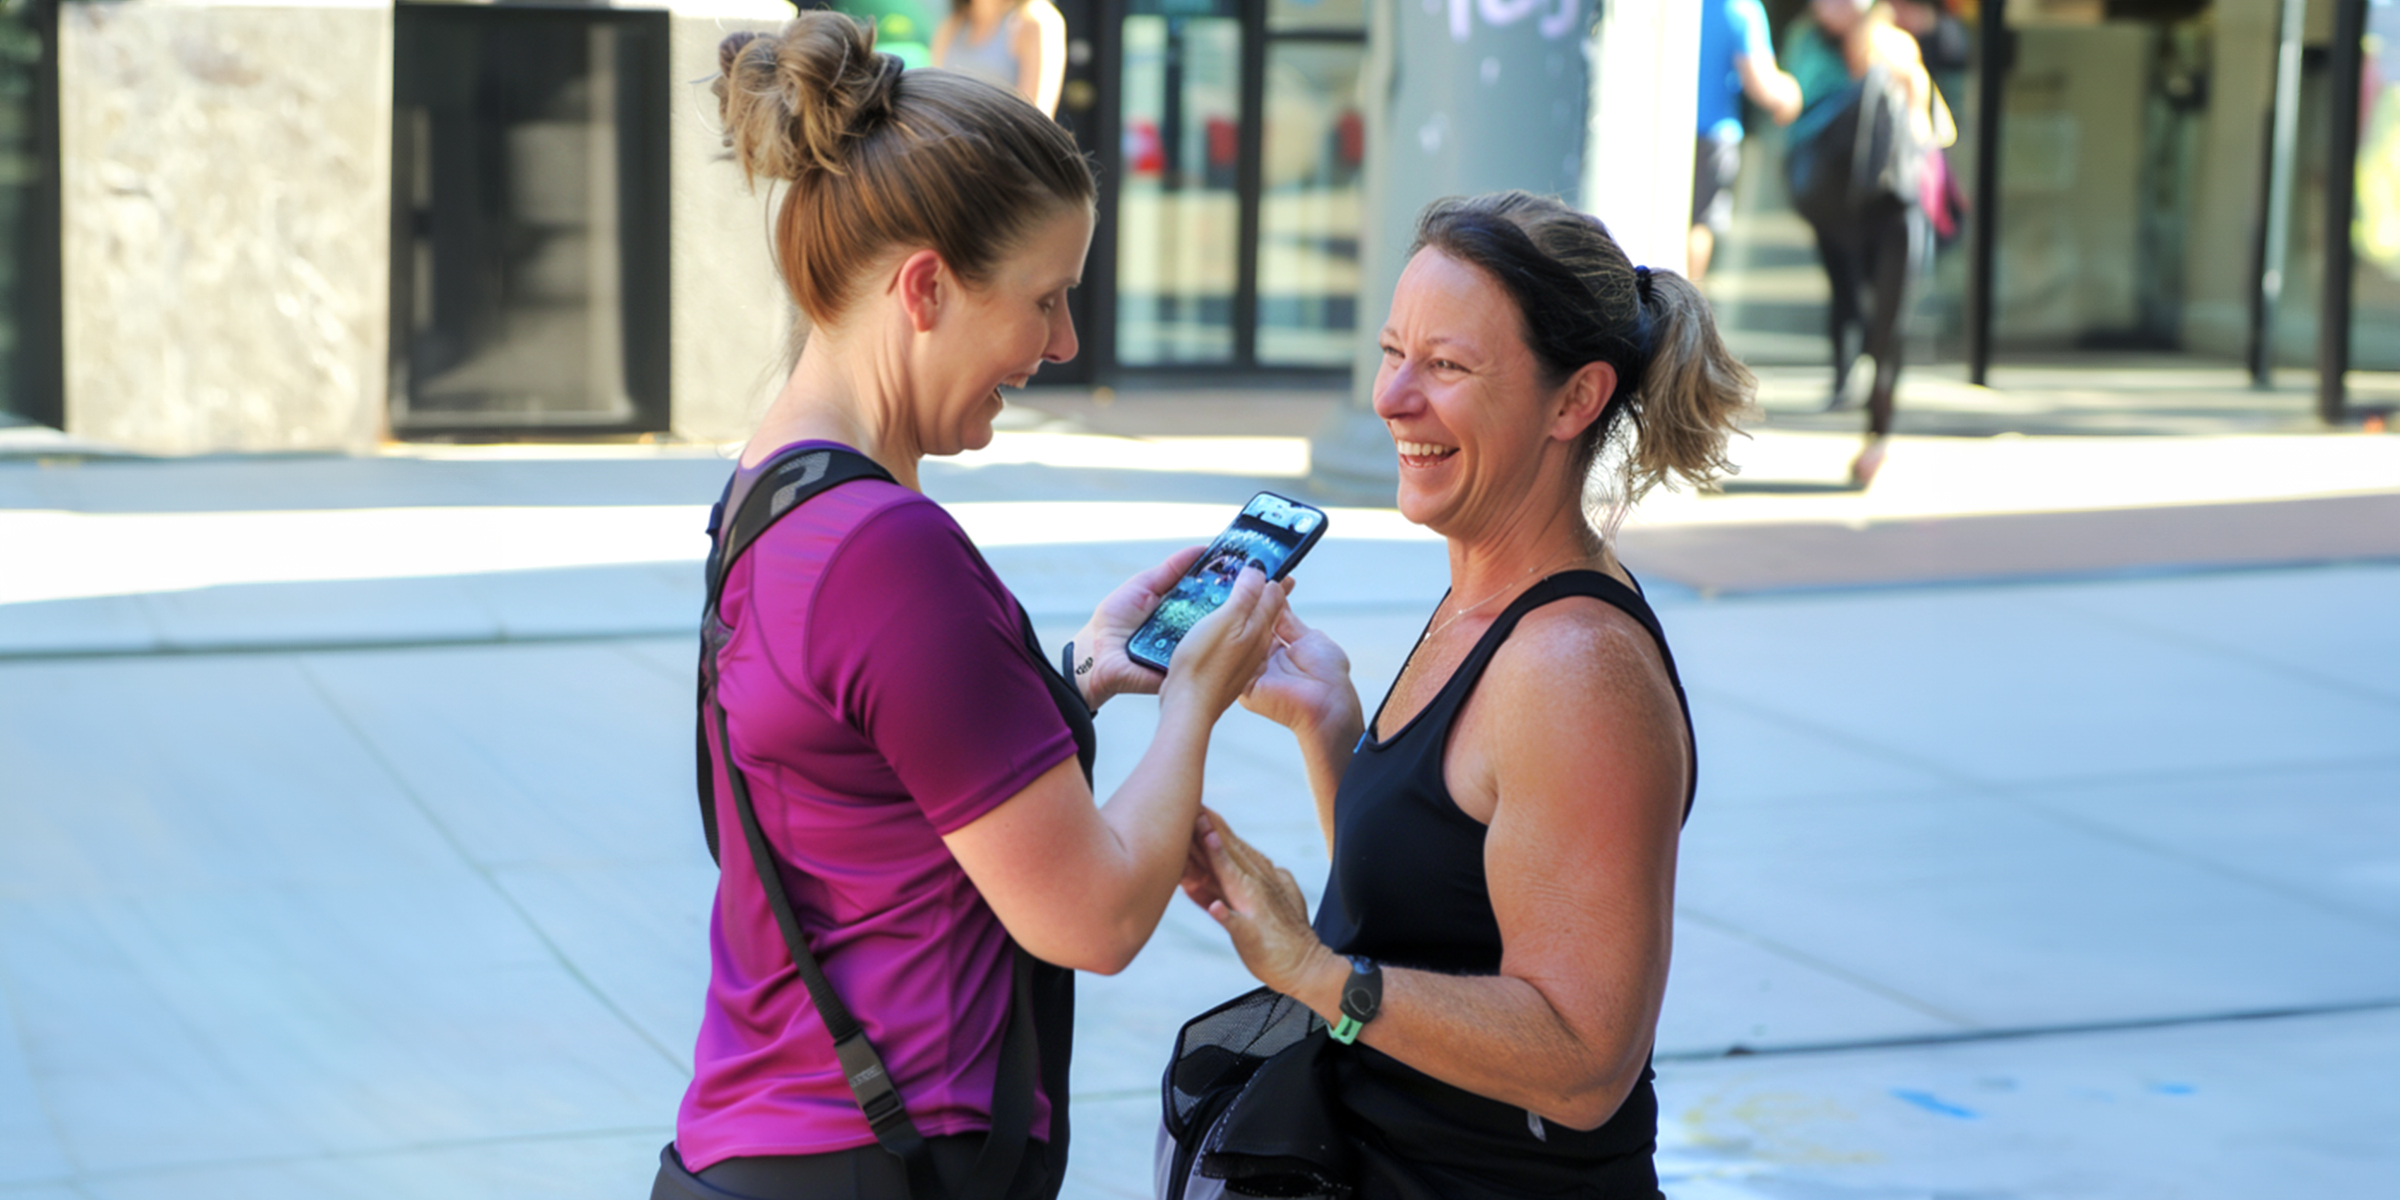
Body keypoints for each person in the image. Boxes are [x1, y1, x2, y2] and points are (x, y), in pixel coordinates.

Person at [653, 14, 1288, 1199]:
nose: (1063, 341)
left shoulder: (771, 495)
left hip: (762, 1140)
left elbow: (874, 779)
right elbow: (1094, 919)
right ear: (927, 288)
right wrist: (1196, 699)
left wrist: (1084, 674)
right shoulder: (889, 553)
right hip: (878, 1159)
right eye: (1045, 301)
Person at [1157, 191, 1752, 1199]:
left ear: (1575, 401)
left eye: (1447, 367)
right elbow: (1443, 913)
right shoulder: (1482, 600)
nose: (1392, 398)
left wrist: (1312, 974)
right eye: (1394, 352)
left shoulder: (1574, 670)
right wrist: (1329, 726)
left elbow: (1583, 1064)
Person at [1781, 0, 1954, 487]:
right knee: (1858, 303)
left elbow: (1930, 128)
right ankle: (1855, 400)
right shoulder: (1811, 47)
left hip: (1893, 202)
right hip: (1852, 204)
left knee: (1887, 322)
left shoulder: (1893, 48)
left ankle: (1876, 433)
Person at [1689, 0, 1802, 282]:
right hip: (1712, 138)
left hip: (1665, 128)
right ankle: (1680, 317)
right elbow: (1762, 84)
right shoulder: (1741, 9)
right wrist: (1791, 95)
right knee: (1697, 228)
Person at [932, 0, 1068, 117]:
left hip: (1006, 144)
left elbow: (1037, 113)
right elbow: (937, 99)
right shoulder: (953, 24)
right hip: (952, 143)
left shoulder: (1036, 20)